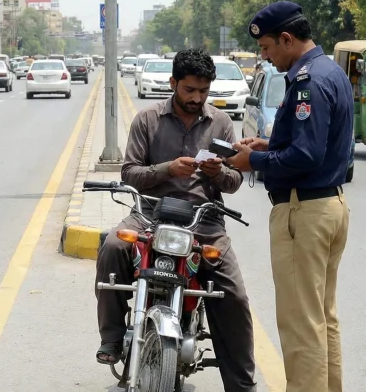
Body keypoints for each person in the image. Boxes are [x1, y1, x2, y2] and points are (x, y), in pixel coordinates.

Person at [94, 47, 257, 392]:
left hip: (204, 220)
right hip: (150, 214)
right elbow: (129, 172)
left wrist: (217, 173)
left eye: (203, 91)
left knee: (235, 296)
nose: (197, 98)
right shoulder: (148, 119)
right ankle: (110, 339)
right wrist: (167, 168)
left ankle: (242, 385)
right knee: (111, 245)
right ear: (173, 83)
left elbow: (235, 182)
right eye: (189, 90)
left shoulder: (222, 122)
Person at [224, 1, 353, 392]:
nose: (264, 57)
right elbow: (317, 143)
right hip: (329, 205)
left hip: (305, 211)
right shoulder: (330, 71)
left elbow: (306, 155)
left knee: (300, 323)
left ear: (286, 38)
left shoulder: (307, 81)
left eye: (266, 48)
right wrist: (269, 143)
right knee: (321, 319)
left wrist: (254, 160)